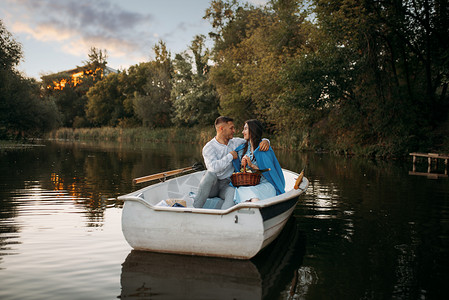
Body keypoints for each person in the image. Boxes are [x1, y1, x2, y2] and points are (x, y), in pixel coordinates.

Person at [193, 116, 270, 209]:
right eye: (231, 128)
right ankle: (195, 209)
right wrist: (230, 156)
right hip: (212, 186)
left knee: (233, 194)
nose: (234, 130)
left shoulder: (236, 142)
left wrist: (266, 141)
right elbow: (212, 168)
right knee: (209, 174)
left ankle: (223, 219)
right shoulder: (209, 147)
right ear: (221, 129)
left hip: (227, 184)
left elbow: (253, 140)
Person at [232, 119, 285, 204]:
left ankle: (257, 212)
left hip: (266, 184)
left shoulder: (264, 149)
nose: (242, 132)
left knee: (252, 195)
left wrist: (251, 165)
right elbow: (240, 171)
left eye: (245, 129)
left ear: (252, 130)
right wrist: (242, 165)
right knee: (242, 191)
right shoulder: (242, 150)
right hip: (249, 184)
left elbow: (269, 171)